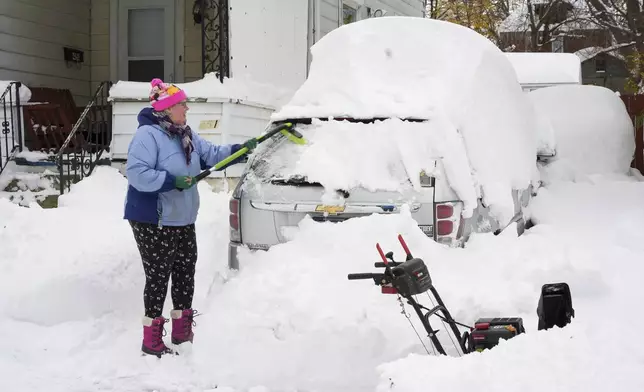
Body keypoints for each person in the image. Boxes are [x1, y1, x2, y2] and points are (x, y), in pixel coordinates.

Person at [124, 78, 257, 357]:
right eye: (181, 104)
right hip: (154, 219)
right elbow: (137, 173)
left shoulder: (185, 134)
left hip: (183, 219)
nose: (186, 108)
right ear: (167, 108)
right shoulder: (147, 135)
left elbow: (211, 155)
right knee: (159, 277)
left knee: (185, 274)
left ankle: (182, 334)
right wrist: (172, 181)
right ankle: (152, 341)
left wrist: (242, 149)